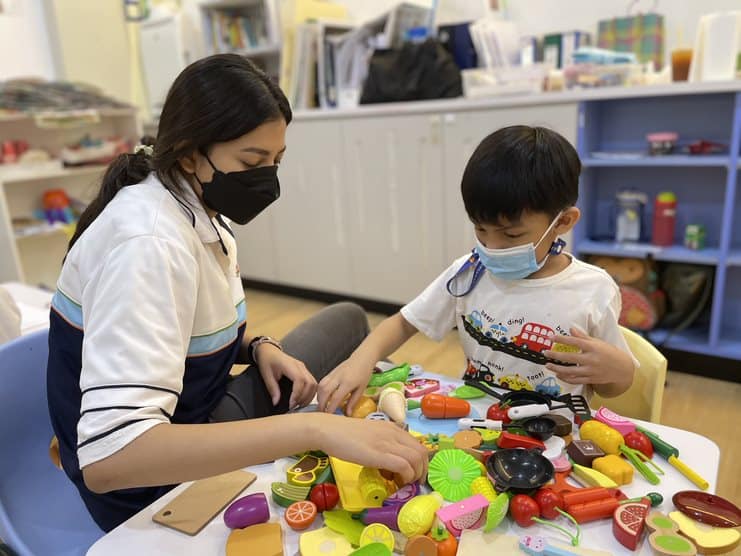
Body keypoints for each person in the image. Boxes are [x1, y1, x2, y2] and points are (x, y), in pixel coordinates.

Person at [47, 54, 427, 532]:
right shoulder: (147, 244)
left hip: (197, 402)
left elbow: (181, 326)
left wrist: (256, 346)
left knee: (348, 319)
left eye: (276, 161)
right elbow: (111, 460)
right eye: (252, 161)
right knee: (315, 411)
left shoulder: (196, 202)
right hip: (146, 481)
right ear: (189, 153)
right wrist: (314, 428)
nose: (267, 177)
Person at [318, 126, 636, 415]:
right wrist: (360, 360)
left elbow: (610, 387)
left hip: (554, 433)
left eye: (511, 235)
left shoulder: (593, 290)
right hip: (471, 419)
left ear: (563, 222)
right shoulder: (470, 272)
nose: (492, 247)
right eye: (481, 230)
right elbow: (403, 323)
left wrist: (620, 372)